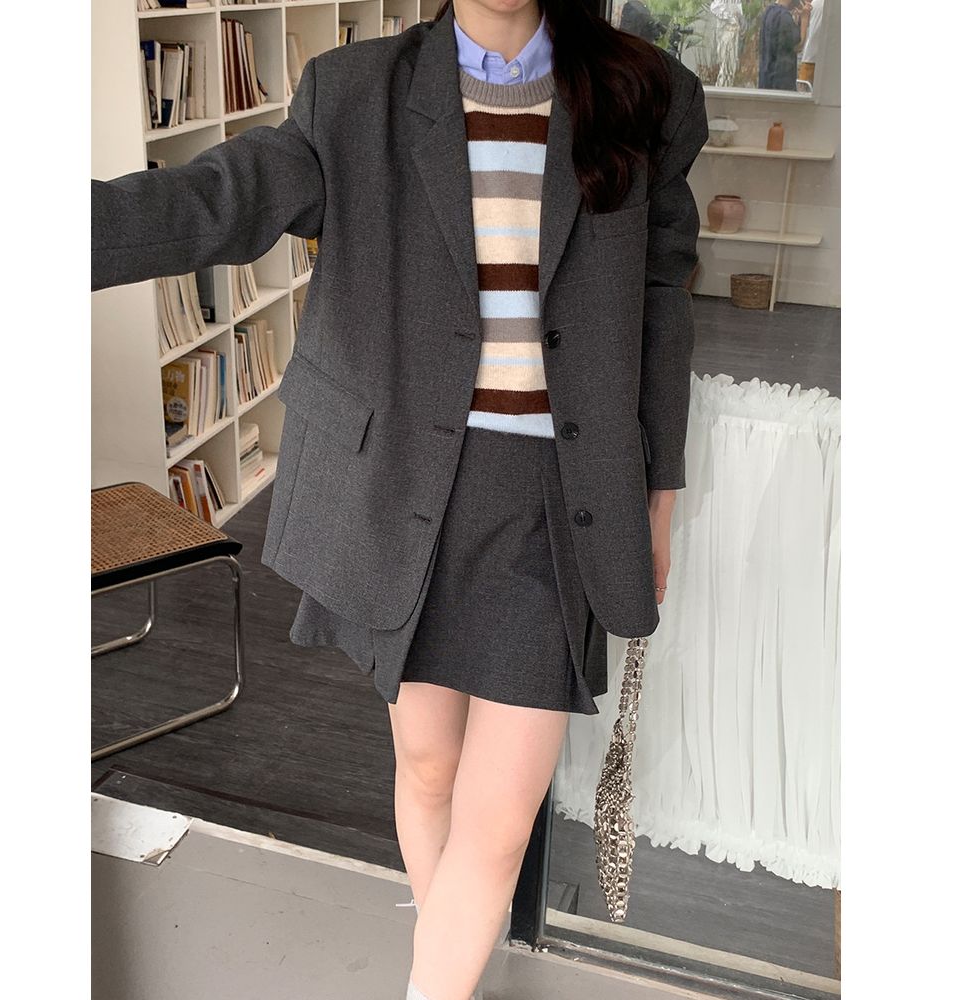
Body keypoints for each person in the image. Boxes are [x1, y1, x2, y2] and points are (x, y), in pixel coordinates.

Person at [91, 2, 708, 998]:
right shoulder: (355, 91)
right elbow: (215, 199)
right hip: (407, 488)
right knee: (426, 767)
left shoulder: (647, 92)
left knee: (498, 823)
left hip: (554, 506)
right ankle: (447, 962)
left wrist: (659, 493)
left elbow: (662, 302)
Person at [758, 0, 812, 91]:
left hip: (765, 81)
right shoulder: (784, 17)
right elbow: (798, 46)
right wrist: (804, 19)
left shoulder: (768, 12)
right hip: (781, 84)